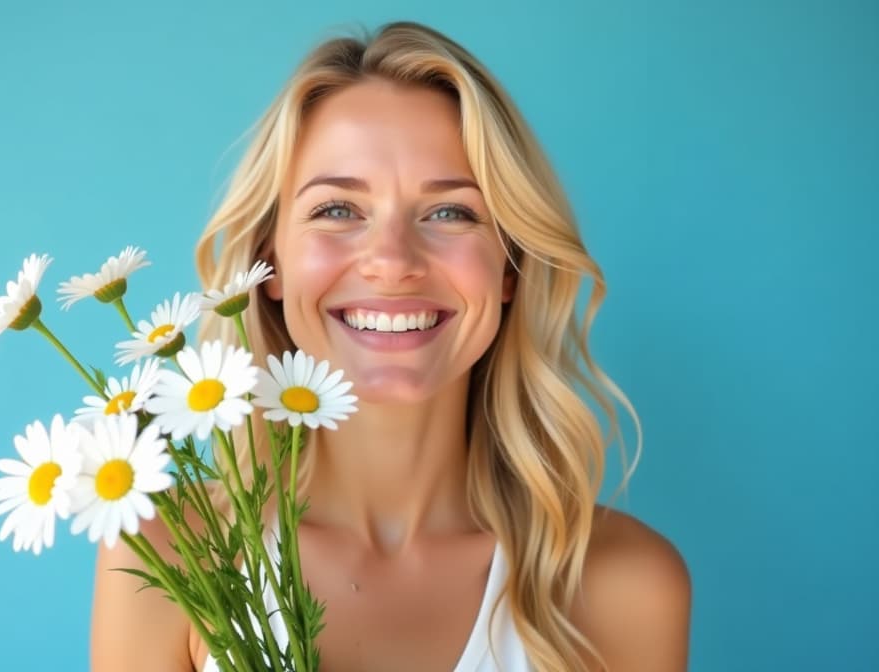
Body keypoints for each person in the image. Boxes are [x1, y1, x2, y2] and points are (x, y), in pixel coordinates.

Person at [91, 21, 691, 672]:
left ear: (510, 266)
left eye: (450, 213)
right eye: (338, 210)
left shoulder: (627, 585)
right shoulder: (171, 552)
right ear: (271, 262)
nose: (392, 262)